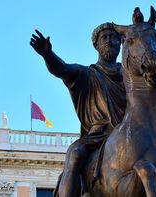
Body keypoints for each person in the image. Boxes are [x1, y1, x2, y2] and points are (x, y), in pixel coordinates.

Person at [30, 23, 126, 197]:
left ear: (121, 44)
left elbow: (152, 101)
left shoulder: (131, 78)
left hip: (130, 132)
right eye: (104, 38)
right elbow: (62, 69)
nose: (110, 42)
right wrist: (47, 54)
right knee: (74, 155)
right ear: (96, 44)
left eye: (114, 38)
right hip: (99, 135)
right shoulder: (86, 74)